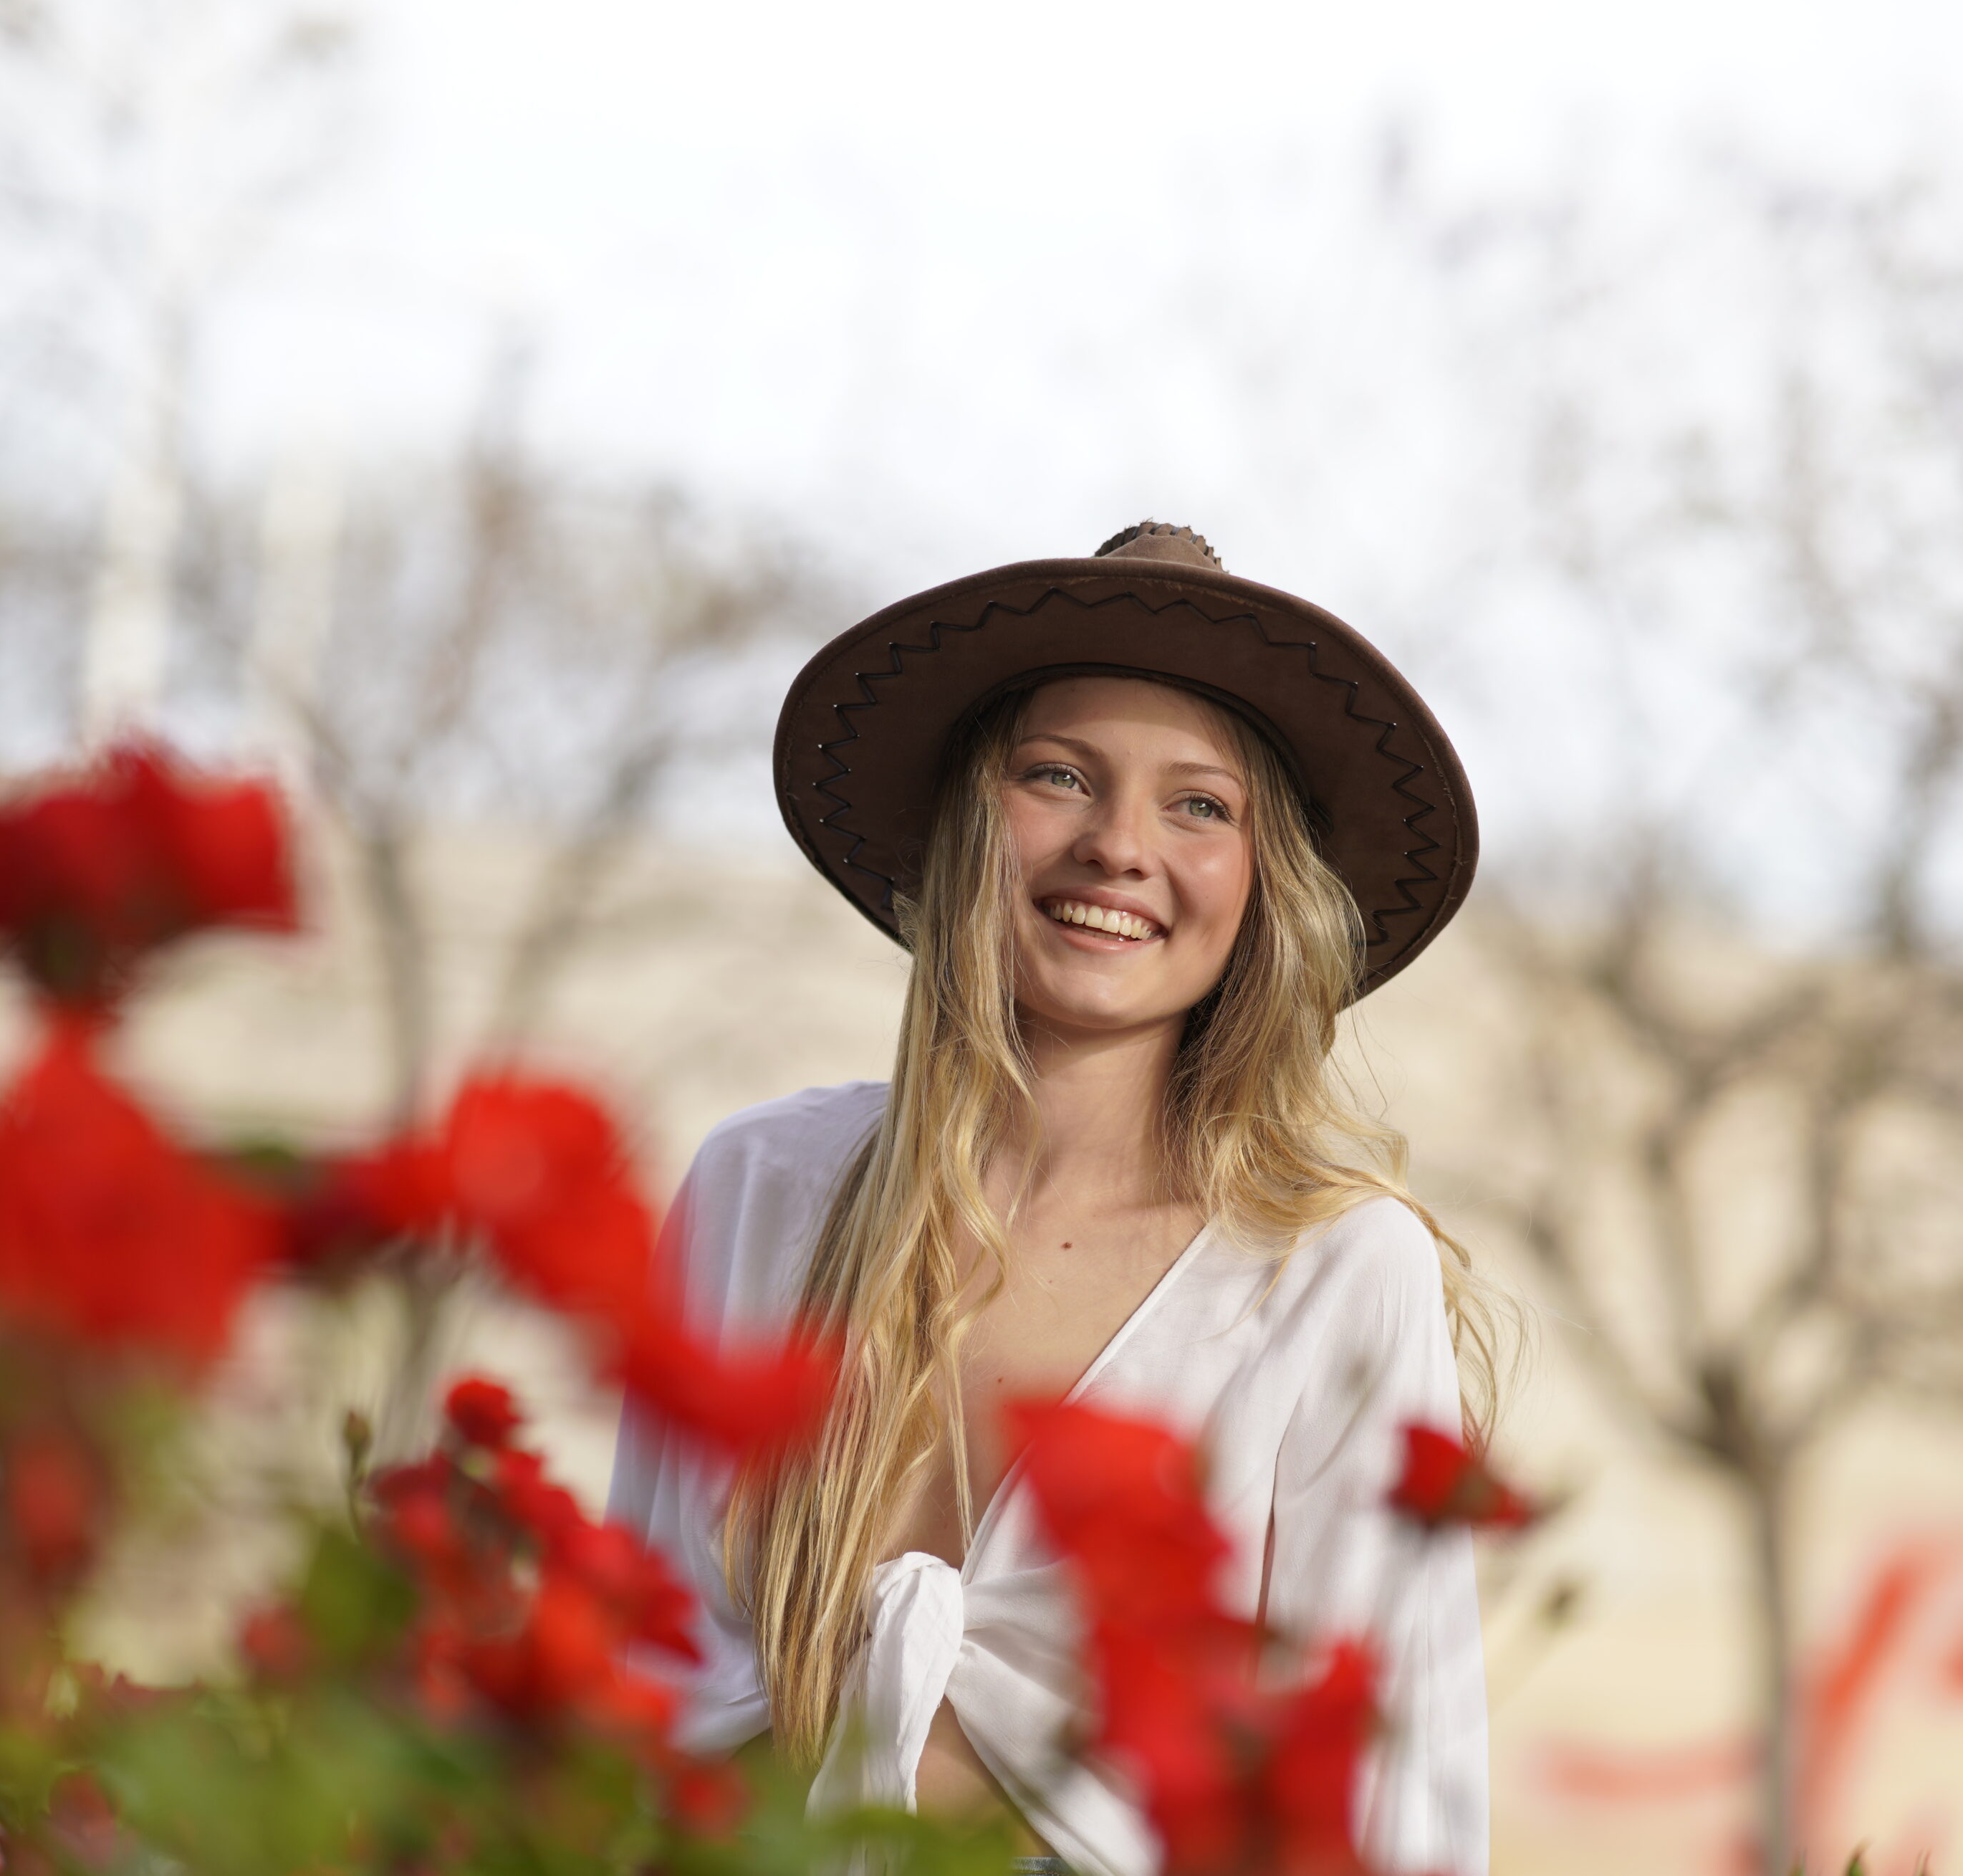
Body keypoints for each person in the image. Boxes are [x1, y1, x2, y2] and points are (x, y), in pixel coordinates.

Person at [609, 522, 1507, 1876]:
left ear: (1267, 890)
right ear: (971, 823)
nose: (1118, 846)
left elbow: (1394, 1808)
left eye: (1199, 805)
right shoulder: (759, 1195)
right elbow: (631, 1689)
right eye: (1059, 776)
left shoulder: (1329, 1274)